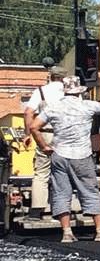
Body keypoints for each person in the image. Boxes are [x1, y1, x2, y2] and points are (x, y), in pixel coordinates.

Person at [29, 72, 100, 243]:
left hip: (59, 154)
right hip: (81, 155)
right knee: (89, 191)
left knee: (61, 192)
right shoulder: (87, 106)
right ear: (79, 91)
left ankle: (67, 232)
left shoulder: (53, 108)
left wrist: (44, 146)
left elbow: (33, 127)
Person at [21, 60, 66, 221]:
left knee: (41, 172)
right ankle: (62, 210)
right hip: (66, 135)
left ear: (50, 77)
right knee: (63, 172)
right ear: (63, 78)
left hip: (44, 134)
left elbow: (28, 113)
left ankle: (37, 211)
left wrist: (28, 134)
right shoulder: (70, 92)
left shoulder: (41, 91)